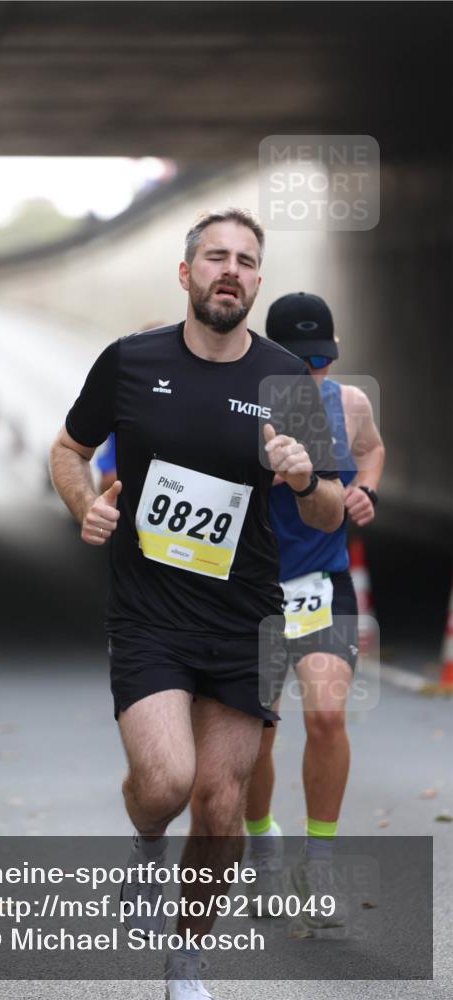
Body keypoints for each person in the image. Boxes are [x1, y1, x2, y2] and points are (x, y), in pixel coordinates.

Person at [49, 209, 345, 999]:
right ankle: (146, 846)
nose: (231, 270)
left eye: (246, 261)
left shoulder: (286, 379)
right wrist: (84, 504)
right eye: (215, 256)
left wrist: (302, 478)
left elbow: (327, 512)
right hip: (149, 613)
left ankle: (185, 963)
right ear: (185, 273)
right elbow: (68, 450)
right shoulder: (130, 362)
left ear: (256, 281)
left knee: (219, 808)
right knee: (167, 783)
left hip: (246, 619)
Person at [244, 292, 385, 927]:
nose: (313, 375)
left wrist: (364, 490)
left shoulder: (349, 403)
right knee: (256, 733)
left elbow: (374, 448)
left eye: (322, 361)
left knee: (327, 717)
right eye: (300, 364)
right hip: (251, 590)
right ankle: (261, 840)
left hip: (322, 583)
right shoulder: (242, 411)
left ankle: (318, 862)